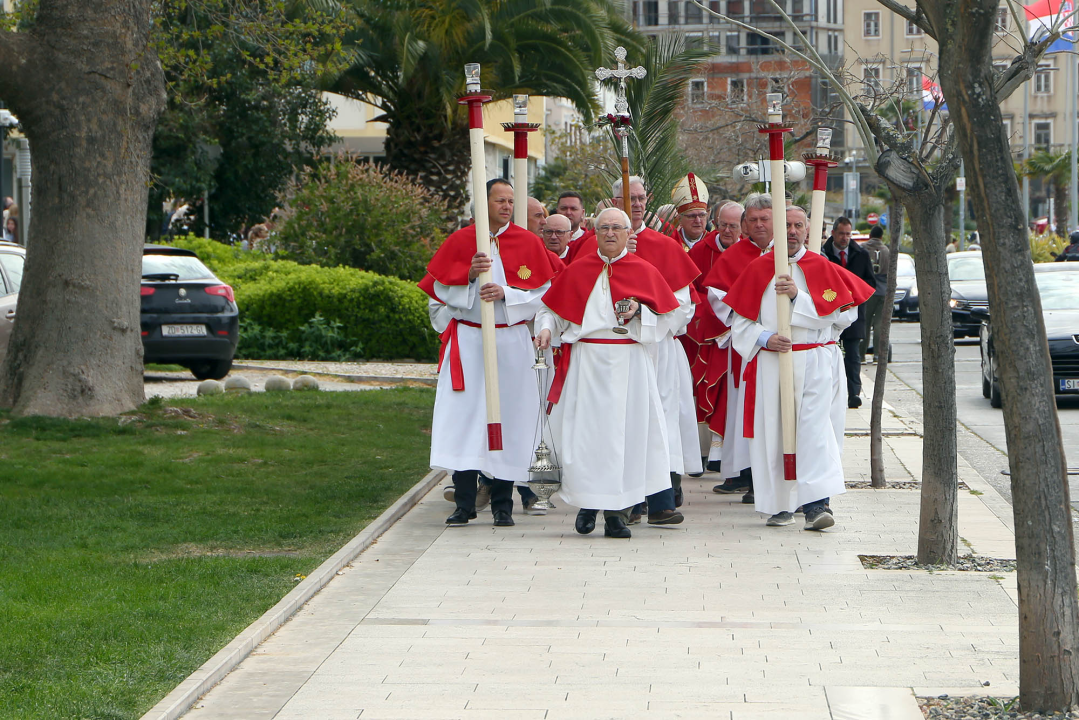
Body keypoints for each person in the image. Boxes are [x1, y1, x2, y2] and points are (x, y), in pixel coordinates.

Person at [420, 178, 561, 527]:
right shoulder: (460, 241)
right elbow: (438, 294)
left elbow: (545, 295)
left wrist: (508, 295)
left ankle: (503, 504)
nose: (506, 207)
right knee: (466, 421)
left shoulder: (527, 242)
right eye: (499, 200)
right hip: (469, 342)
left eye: (510, 201)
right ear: (482, 204)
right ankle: (464, 503)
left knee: (509, 419)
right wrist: (468, 277)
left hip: (510, 343)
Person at [724, 205, 873, 530]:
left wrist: (798, 297)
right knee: (774, 432)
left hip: (815, 363)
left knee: (814, 432)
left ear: (808, 230)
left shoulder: (822, 267)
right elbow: (740, 325)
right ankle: (780, 503)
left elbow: (842, 314)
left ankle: (816, 505)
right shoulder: (757, 269)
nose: (792, 231)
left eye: (798, 225)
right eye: (786, 224)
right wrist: (765, 339)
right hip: (772, 363)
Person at [535, 208, 680, 538]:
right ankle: (588, 505)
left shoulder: (644, 271)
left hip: (629, 362)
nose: (611, 233)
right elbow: (551, 310)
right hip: (588, 361)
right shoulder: (578, 270)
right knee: (587, 438)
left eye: (617, 228)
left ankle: (616, 513)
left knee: (626, 438)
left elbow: (669, 318)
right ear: (593, 232)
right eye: (604, 228)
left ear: (629, 233)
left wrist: (642, 310)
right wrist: (545, 329)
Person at [701, 193, 774, 500]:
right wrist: (746, 321)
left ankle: (773, 474)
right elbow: (717, 295)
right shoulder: (734, 256)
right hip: (747, 346)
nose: (758, 225)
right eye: (753, 220)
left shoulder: (789, 253)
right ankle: (745, 472)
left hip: (788, 345)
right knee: (745, 407)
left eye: (764, 219)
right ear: (745, 223)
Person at [822, 217, 877, 407]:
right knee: (828, 352)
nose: (845, 238)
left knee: (852, 355)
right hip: (829, 312)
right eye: (841, 234)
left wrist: (856, 294)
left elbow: (870, 284)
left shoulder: (860, 254)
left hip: (854, 313)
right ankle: (830, 392)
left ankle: (854, 392)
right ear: (833, 234)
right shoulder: (824, 254)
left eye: (848, 234)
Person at [861, 225, 891, 361]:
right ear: (881, 237)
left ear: (869, 236)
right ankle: (878, 355)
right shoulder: (886, 251)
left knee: (865, 322)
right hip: (883, 289)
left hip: (867, 288)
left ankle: (861, 354)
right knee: (880, 323)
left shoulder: (863, 248)